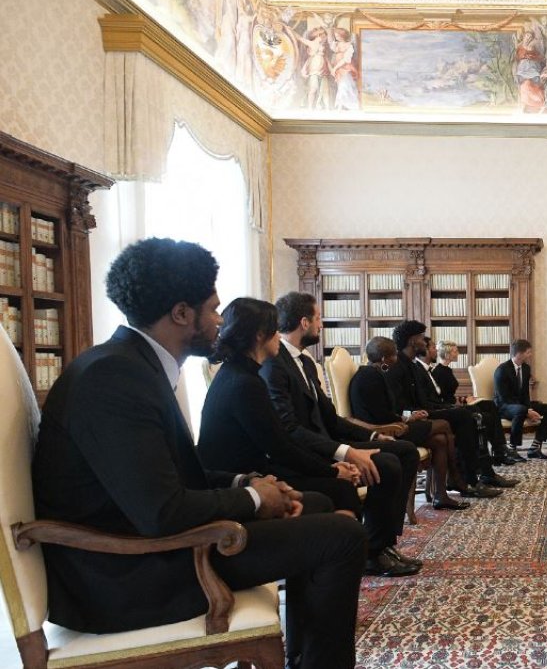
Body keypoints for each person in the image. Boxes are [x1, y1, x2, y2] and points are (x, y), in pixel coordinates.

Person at [32, 238, 365, 669]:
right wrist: (254, 499)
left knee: (315, 504)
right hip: (125, 576)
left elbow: (172, 474)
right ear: (181, 314)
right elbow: (161, 512)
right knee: (342, 537)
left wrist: (247, 483)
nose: (220, 321)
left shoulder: (131, 365)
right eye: (213, 309)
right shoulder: (113, 378)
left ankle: (304, 658)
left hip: (150, 550)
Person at [260, 291, 423, 577]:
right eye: (318, 318)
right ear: (304, 323)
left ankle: (383, 541)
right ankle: (374, 551)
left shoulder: (306, 362)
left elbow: (331, 418)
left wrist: (373, 437)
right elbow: (289, 428)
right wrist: (345, 453)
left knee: (405, 451)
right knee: (387, 464)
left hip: (328, 441)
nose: (321, 325)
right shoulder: (275, 364)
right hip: (309, 451)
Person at [197, 297, 363, 519]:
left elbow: (279, 443)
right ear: (259, 335)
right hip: (240, 484)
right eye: (275, 330)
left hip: (253, 472)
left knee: (338, 487)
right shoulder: (246, 383)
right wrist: (333, 471)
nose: (279, 336)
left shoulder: (237, 372)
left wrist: (332, 468)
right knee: (340, 490)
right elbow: (281, 447)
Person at [390, 321, 515, 492]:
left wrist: (450, 407)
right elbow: (400, 405)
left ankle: (482, 473)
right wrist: (414, 414)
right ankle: (469, 479)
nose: (424, 342)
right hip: (414, 417)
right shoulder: (398, 366)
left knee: (472, 412)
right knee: (465, 416)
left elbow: (426, 400)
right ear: (412, 341)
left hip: (426, 410)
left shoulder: (411, 365)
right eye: (421, 338)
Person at [349, 336, 470, 510]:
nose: (396, 359)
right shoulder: (369, 377)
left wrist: (408, 416)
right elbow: (380, 416)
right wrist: (406, 419)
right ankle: (455, 477)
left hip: (393, 423)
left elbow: (387, 410)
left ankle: (441, 495)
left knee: (440, 440)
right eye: (394, 355)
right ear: (384, 358)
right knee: (443, 424)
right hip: (384, 431)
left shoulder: (375, 373)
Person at [420, 336, 521, 470]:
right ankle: (497, 451)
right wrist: (460, 402)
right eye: (455, 351)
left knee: (489, 405)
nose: (458, 353)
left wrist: (463, 398)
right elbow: (441, 398)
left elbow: (447, 394)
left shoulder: (447, 370)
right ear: (448, 353)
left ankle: (499, 449)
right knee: (485, 415)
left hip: (454, 403)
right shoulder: (438, 371)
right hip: (449, 407)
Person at [495, 339, 547, 459]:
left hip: (521, 405)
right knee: (520, 410)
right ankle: (512, 449)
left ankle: (535, 447)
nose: (531, 355)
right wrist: (526, 411)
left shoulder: (526, 368)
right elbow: (504, 397)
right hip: (504, 406)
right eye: (528, 352)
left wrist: (529, 408)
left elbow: (525, 393)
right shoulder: (502, 370)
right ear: (519, 354)